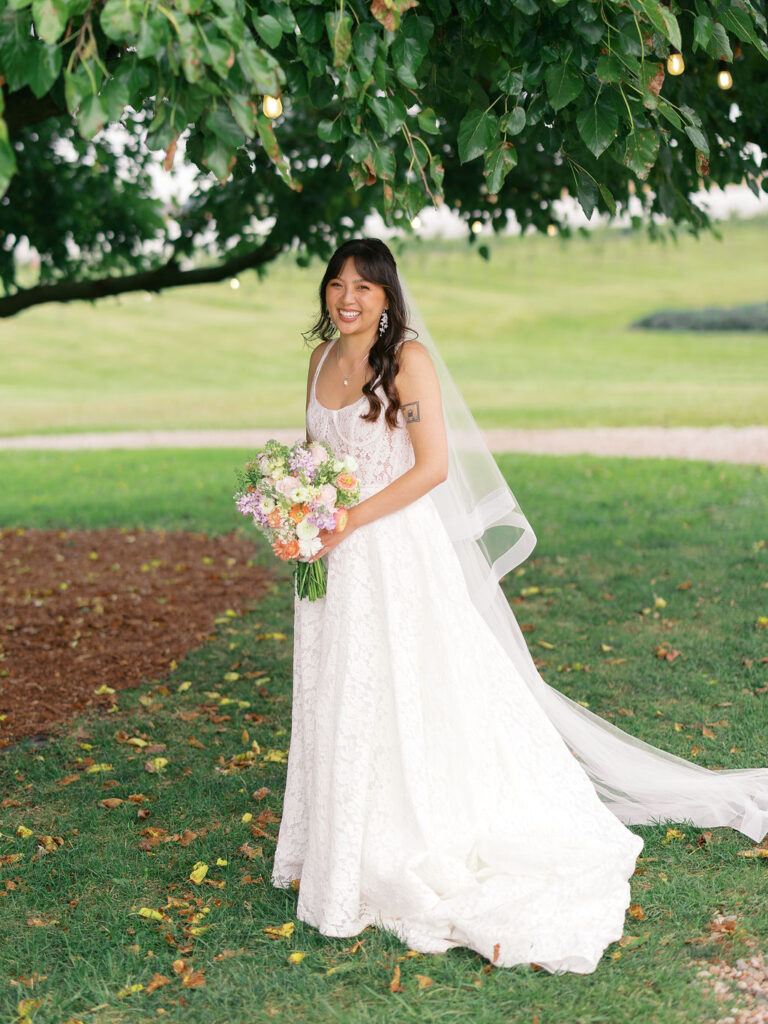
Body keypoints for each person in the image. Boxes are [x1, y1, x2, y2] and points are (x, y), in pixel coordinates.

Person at [270, 237, 768, 974]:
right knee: (339, 691)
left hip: (394, 553)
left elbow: (433, 468)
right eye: (337, 284)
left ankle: (408, 835)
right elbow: (314, 457)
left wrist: (347, 519)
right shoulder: (318, 361)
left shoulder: (407, 361)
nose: (347, 297)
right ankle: (337, 843)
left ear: (386, 297)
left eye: (364, 287)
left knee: (404, 689)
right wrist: (298, 514)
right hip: (331, 560)